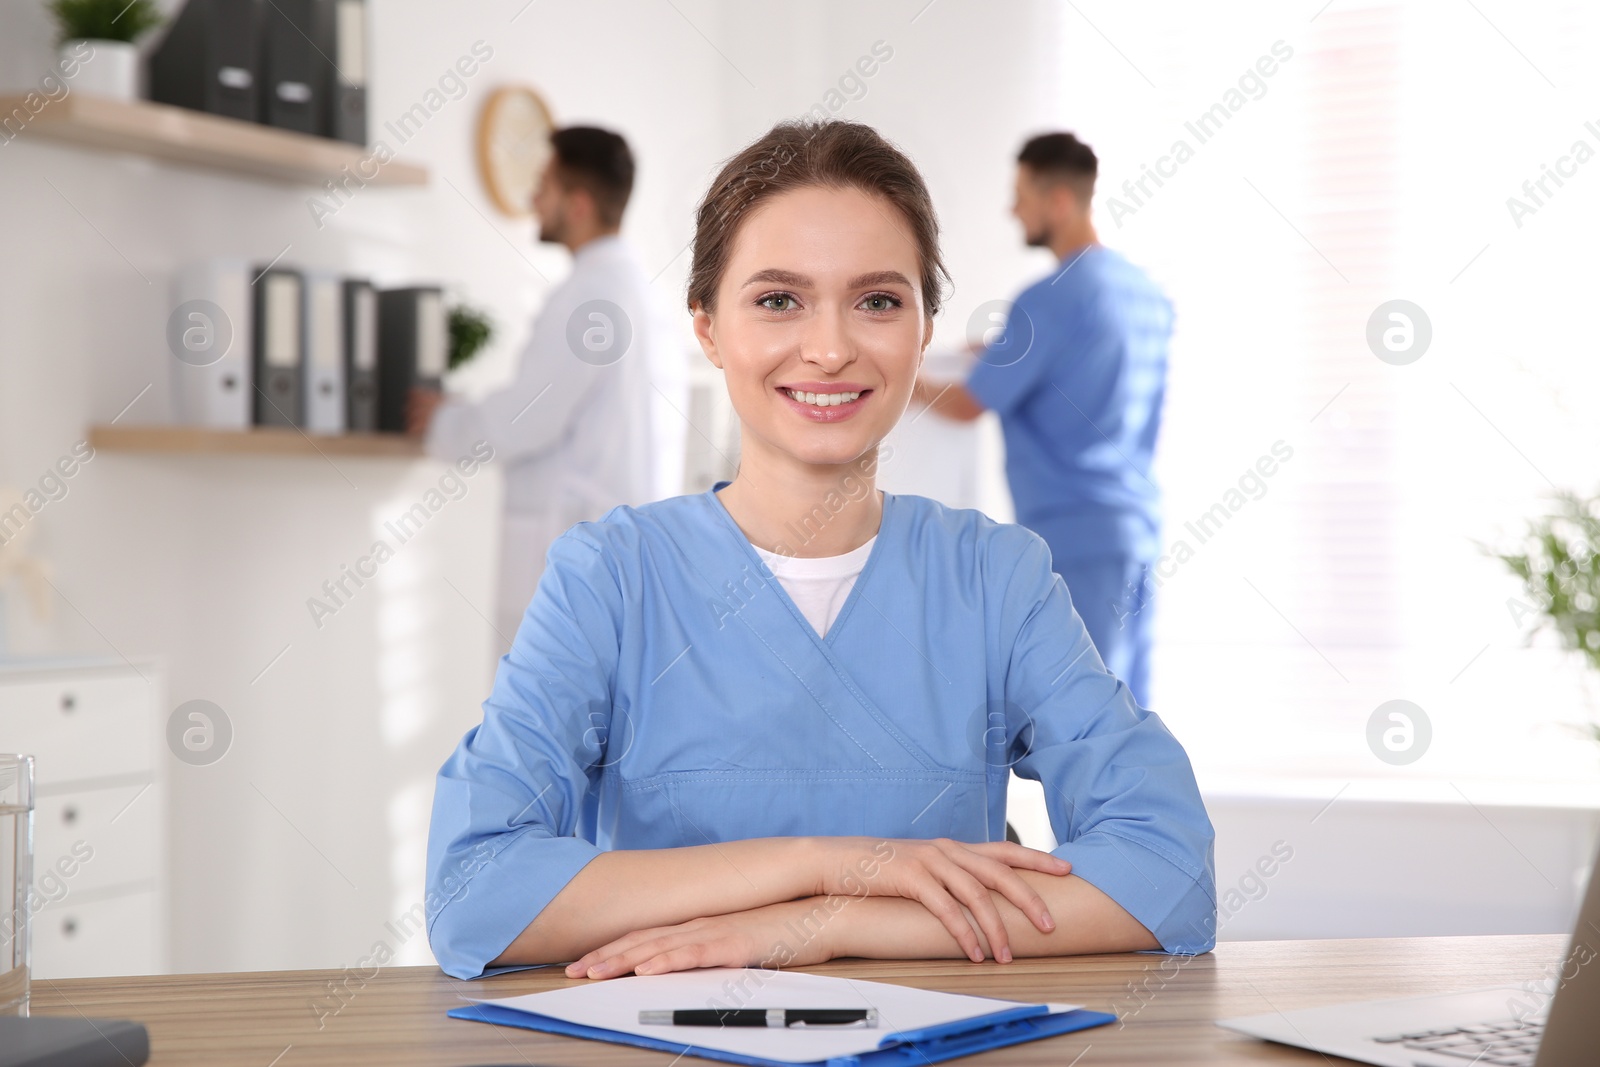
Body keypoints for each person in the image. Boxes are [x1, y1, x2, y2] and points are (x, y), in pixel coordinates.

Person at [425, 120, 1214, 982]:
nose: (831, 348)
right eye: (777, 299)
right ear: (708, 328)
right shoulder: (610, 581)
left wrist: (829, 926)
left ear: (923, 330)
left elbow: (1168, 874)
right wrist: (819, 865)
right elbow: (473, 891)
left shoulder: (996, 580)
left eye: (878, 300)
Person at [911, 132, 1171, 707]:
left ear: (1057, 201)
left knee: (1081, 718)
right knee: (1130, 713)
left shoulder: (1049, 299)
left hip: (1075, 532)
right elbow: (1080, 371)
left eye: (1021, 194)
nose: (1012, 209)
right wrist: (1000, 351)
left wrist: (896, 378)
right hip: (1135, 530)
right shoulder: (1143, 293)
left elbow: (966, 406)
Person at [410, 126, 686, 656]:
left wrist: (442, 422)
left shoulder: (590, 298)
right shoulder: (643, 296)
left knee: (548, 726)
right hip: (628, 563)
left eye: (545, 185)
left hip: (578, 565)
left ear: (578, 205)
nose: (534, 199)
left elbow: (526, 419)